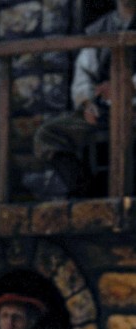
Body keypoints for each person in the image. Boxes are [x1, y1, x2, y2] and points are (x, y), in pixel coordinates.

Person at [25, 0, 136, 199]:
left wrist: (127, 87)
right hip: (105, 110)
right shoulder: (99, 28)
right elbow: (84, 74)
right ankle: (84, 189)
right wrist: (88, 103)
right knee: (48, 134)